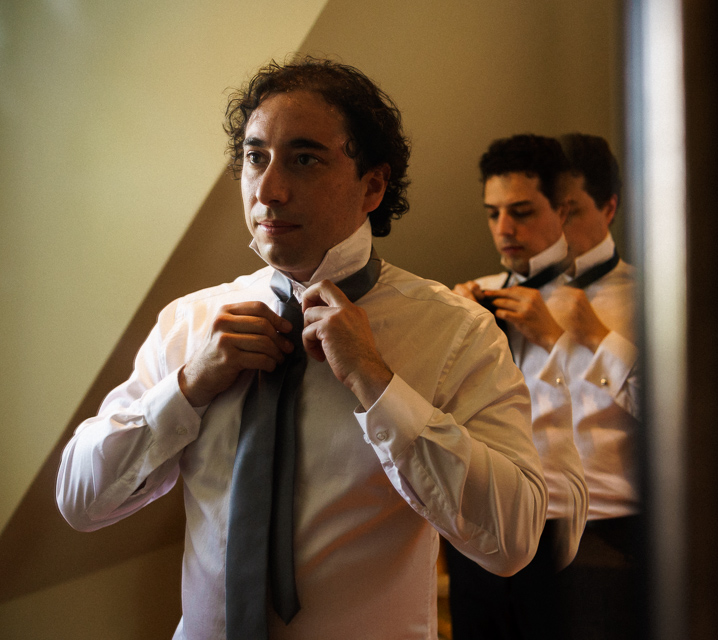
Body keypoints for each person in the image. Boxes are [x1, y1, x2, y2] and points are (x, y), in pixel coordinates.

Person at [56, 57, 547, 640]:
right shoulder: (189, 324)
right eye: (254, 157)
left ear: (372, 186)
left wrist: (377, 383)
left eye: (305, 159)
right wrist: (186, 388)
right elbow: (79, 500)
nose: (268, 189)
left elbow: (513, 540)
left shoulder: (456, 332)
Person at [447, 134, 589, 640]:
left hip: (565, 530)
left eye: (522, 212)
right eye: (493, 213)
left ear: (563, 210)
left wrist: (558, 339)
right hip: (479, 523)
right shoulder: (469, 302)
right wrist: (455, 333)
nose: (504, 230)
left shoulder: (612, 303)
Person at [552, 133, 642, 639]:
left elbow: (678, 420)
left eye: (572, 212)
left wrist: (595, 337)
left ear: (608, 208)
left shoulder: (653, 300)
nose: (556, 231)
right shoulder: (505, 300)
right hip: (526, 535)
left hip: (611, 540)